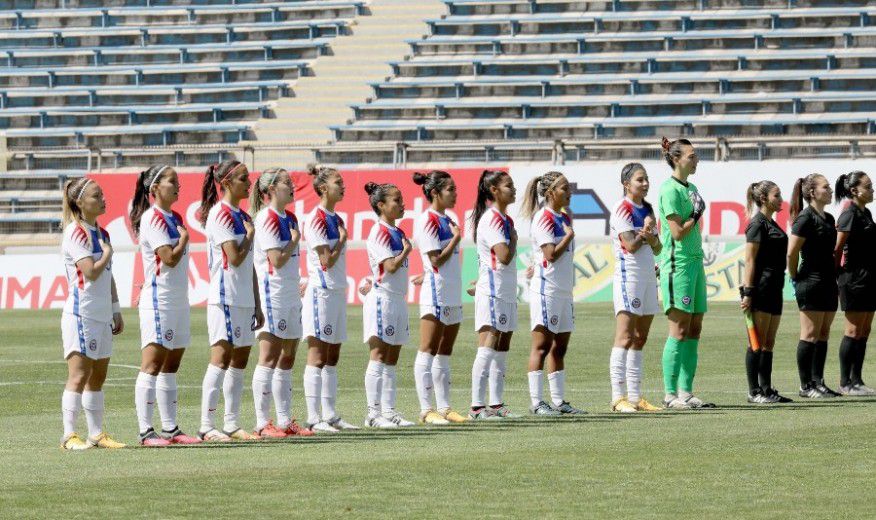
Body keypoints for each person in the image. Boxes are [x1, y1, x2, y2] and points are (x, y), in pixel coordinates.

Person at [130, 165, 201, 446]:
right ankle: (146, 431)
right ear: (155, 189)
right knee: (152, 364)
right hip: (159, 299)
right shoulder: (153, 218)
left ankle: (171, 428)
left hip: (178, 298)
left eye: (178, 181)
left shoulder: (175, 217)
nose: (177, 186)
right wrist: (183, 239)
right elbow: (168, 258)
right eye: (172, 181)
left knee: (171, 365)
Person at [197, 160, 264, 441]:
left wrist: (257, 303)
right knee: (221, 358)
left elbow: (249, 266)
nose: (249, 184)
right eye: (243, 179)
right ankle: (206, 425)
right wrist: (249, 237)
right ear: (226, 183)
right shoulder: (220, 215)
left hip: (244, 298)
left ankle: (232, 423)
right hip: (224, 296)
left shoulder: (241, 215)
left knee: (240, 360)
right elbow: (235, 258)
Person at [60, 177, 126, 449]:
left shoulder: (102, 232)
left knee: (98, 376)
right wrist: (108, 254)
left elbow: (107, 277)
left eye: (102, 195)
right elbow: (90, 271)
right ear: (80, 202)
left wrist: (115, 308)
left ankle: (96, 433)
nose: (103, 199)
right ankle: (68, 435)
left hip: (101, 314)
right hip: (81, 314)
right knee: (79, 375)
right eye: (96, 196)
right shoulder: (76, 232)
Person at [249, 168, 314, 437]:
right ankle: (263, 423)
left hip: (289, 293)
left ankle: (286, 421)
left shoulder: (291, 217)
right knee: (269, 357)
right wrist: (295, 240)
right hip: (271, 293)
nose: (292, 186)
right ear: (271, 189)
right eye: (286, 182)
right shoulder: (267, 218)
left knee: (288, 356)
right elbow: (276, 259)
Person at [520, 171, 586, 416]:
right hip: (546, 290)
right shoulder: (543, 218)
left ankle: (559, 402)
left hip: (564, 291)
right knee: (541, 345)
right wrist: (568, 236)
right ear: (550, 193)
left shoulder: (562, 216)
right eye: (564, 189)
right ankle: (537, 402)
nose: (569, 193)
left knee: (560, 347)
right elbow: (550, 254)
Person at [657, 137, 714, 409]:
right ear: (677, 159)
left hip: (695, 263)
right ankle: (670, 395)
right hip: (677, 265)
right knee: (678, 329)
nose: (696, 159)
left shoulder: (691, 187)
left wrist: (695, 216)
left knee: (695, 328)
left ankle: (686, 392)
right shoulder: (669, 190)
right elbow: (678, 233)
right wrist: (694, 215)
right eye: (692, 156)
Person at [301, 165, 359, 432]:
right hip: (321, 291)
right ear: (323, 188)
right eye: (338, 182)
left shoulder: (334, 218)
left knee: (333, 355)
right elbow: (325, 261)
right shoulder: (317, 219)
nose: (343, 186)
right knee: (318, 355)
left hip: (336, 291)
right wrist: (343, 240)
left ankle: (331, 414)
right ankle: (314, 418)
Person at [608, 163, 664, 413]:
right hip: (628, 276)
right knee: (625, 336)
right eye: (640, 180)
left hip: (648, 276)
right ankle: (618, 398)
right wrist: (646, 232)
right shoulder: (622, 209)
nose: (645, 183)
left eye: (646, 179)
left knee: (640, 337)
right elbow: (630, 245)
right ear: (626, 184)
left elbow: (658, 247)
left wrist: (651, 235)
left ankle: (635, 397)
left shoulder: (648, 208)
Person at [413, 170, 467, 425]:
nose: (455, 194)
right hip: (436, 293)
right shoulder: (428, 221)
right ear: (435, 193)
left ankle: (445, 407)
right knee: (428, 350)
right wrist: (456, 238)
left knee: (445, 352)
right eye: (450, 190)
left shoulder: (448, 219)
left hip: (452, 292)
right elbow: (435, 260)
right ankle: (426, 409)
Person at [362, 182, 416, 428]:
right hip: (383, 298)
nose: (402, 204)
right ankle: (373, 414)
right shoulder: (379, 232)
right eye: (397, 200)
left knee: (392, 358)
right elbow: (390, 266)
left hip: (398, 299)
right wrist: (406, 251)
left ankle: (389, 411)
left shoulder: (397, 231)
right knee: (379, 356)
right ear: (381, 205)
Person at [469, 170, 521, 420]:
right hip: (492, 291)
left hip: (506, 291)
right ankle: (477, 407)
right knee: (488, 346)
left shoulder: (505, 219)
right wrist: (513, 240)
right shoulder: (492, 220)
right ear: (494, 191)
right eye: (508, 185)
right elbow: (504, 255)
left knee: (502, 347)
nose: (514, 189)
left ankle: (497, 404)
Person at [787, 173, 840, 398]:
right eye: (825, 187)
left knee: (824, 333)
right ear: (812, 192)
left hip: (829, 281)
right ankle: (805, 385)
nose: (830, 190)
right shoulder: (805, 218)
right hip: (810, 281)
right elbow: (792, 252)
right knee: (809, 333)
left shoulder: (828, 218)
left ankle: (819, 381)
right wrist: (795, 276)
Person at [740, 180, 792, 404]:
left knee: (769, 342)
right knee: (756, 342)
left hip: (775, 287)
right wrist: (748, 292)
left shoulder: (772, 223)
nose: (780, 200)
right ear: (763, 199)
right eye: (776, 195)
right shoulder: (757, 224)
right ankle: (754, 392)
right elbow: (750, 260)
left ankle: (767, 388)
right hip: (760, 288)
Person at [833, 171, 876, 396]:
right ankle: (845, 382)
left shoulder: (865, 212)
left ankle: (857, 380)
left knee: (864, 330)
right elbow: (837, 248)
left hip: (869, 278)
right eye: (868, 186)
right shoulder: (849, 213)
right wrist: (838, 276)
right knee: (852, 330)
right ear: (854, 191)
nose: (872, 190)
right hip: (853, 279)